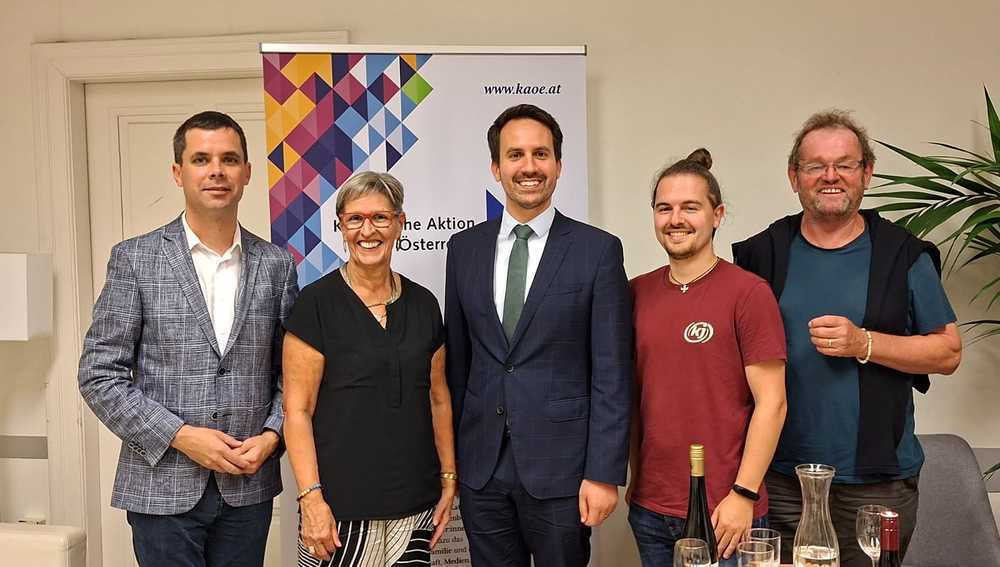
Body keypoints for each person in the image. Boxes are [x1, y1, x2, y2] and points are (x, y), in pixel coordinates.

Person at [732, 110, 962, 566]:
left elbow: (948, 351)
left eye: (845, 164)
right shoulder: (761, 254)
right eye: (815, 166)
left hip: (877, 485)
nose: (830, 176)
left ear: (867, 173)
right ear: (794, 177)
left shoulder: (905, 255)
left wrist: (865, 344)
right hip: (779, 480)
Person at [78, 110, 297, 566]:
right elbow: (99, 376)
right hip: (161, 489)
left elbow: (289, 373)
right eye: (201, 159)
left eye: (229, 159)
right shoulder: (134, 259)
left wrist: (273, 435)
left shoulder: (277, 265)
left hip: (247, 488)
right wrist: (178, 435)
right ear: (179, 173)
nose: (216, 170)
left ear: (247, 173)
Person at [444, 103, 633, 567]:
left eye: (541, 154)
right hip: (482, 467)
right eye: (515, 155)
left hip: (563, 471)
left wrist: (604, 473)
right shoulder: (464, 249)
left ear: (559, 165)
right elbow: (458, 365)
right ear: (496, 167)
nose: (529, 167)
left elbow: (612, 370)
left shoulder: (597, 251)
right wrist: (453, 465)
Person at [282, 171, 456, 566]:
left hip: (414, 505)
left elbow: (439, 399)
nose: (368, 230)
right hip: (338, 512)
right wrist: (311, 500)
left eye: (380, 217)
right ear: (340, 227)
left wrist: (448, 480)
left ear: (400, 223)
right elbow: (297, 411)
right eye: (355, 219)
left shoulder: (425, 304)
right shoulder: (316, 305)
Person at [627, 148, 787, 566]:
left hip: (725, 510)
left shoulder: (748, 294)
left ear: (716, 215)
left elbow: (773, 403)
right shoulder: (634, 293)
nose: (675, 219)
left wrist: (744, 494)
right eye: (664, 208)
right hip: (650, 507)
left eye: (690, 207)